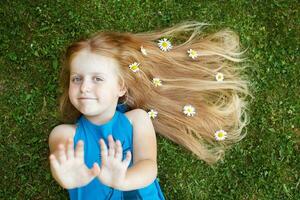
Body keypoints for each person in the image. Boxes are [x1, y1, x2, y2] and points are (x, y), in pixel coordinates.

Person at [48, 21, 252, 199]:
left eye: (97, 79)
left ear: (121, 87)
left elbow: (148, 166)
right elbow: (61, 159)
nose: (84, 87)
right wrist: (65, 178)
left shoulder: (137, 120)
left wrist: (122, 180)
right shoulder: (64, 134)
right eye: (77, 79)